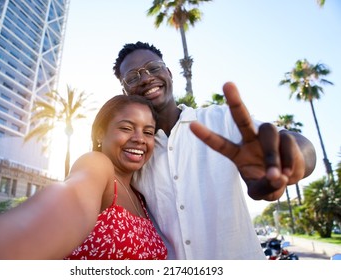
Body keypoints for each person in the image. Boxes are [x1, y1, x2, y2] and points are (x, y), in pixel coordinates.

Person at [112, 41, 317, 259]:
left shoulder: (221, 119)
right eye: (133, 77)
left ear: (169, 73)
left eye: (153, 68)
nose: (145, 78)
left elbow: (300, 149)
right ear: (125, 91)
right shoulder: (136, 154)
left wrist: (291, 158)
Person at [0, 95, 167, 260]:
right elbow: (72, 199)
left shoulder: (142, 196)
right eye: (127, 128)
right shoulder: (98, 165)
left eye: (148, 132)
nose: (139, 139)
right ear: (101, 133)